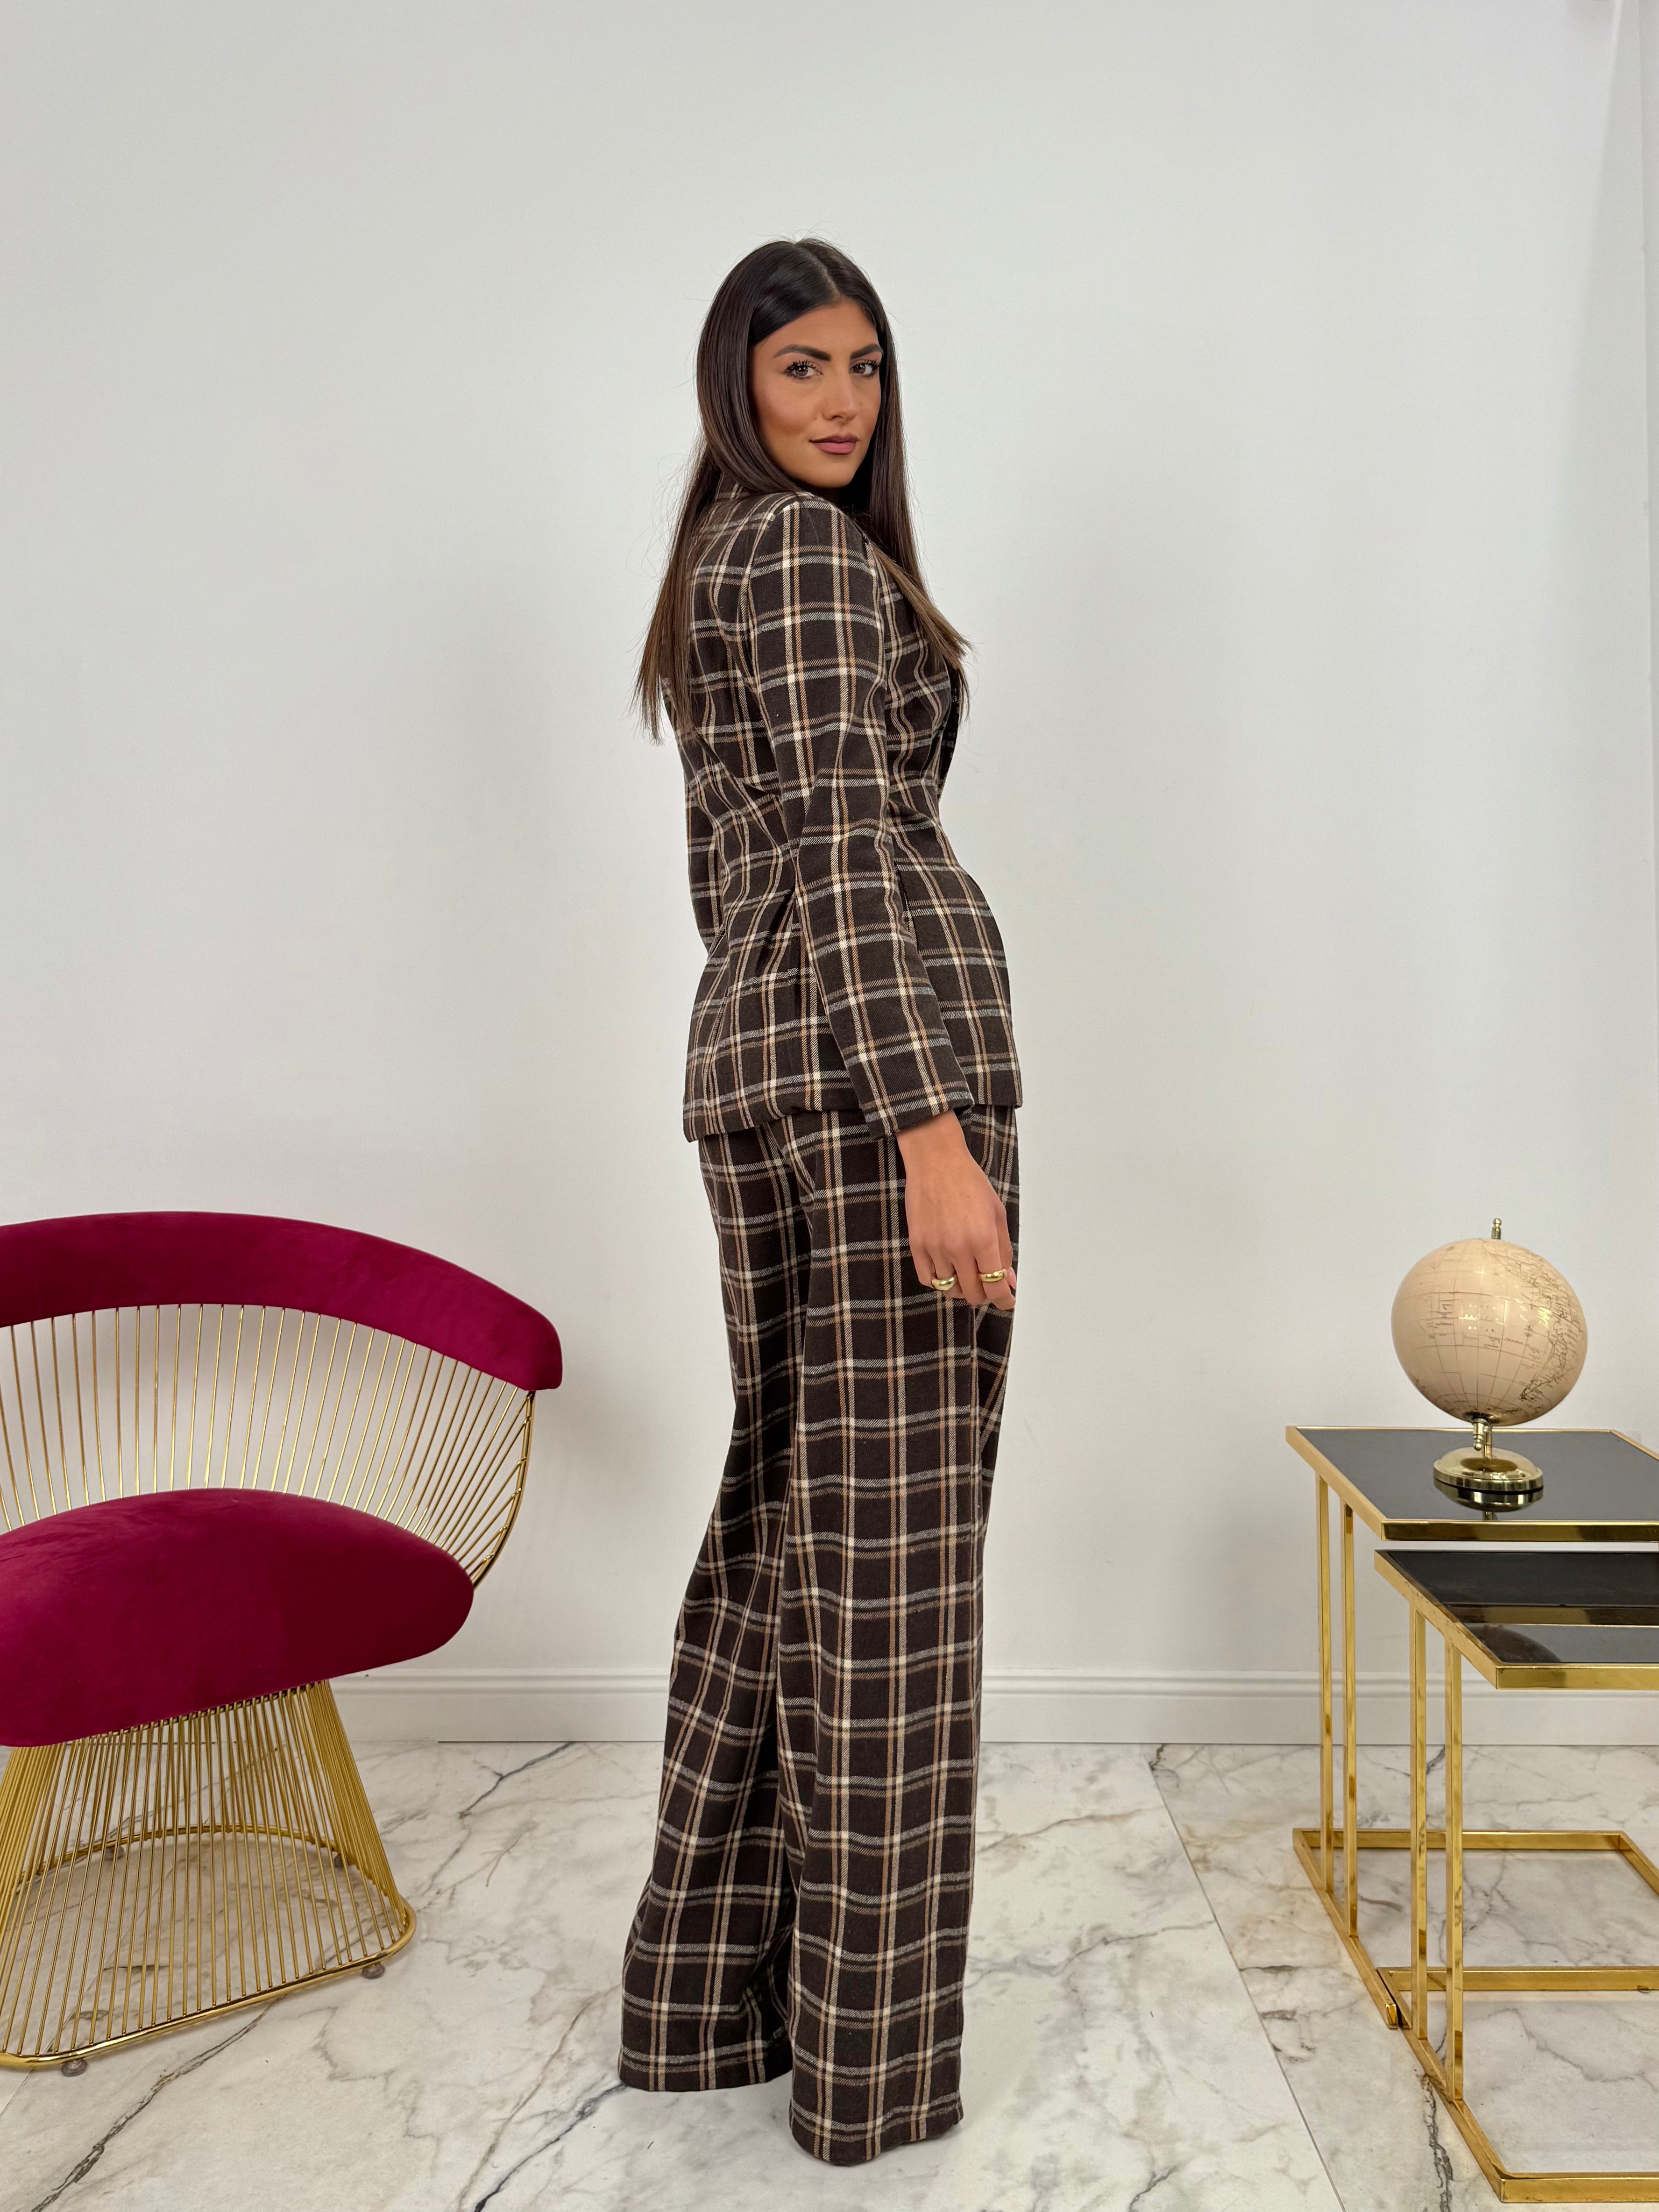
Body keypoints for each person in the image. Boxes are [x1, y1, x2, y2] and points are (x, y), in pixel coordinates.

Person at [617, 237, 1024, 2167]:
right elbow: (855, 847)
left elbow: (744, 881)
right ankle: (868, 2073)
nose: (844, 399)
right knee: (889, 1581)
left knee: (799, 1537)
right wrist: (927, 1125)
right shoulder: (798, 554)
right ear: (739, 384)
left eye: (865, 363)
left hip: (774, 1078)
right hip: (876, 1096)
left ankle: (709, 2006)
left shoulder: (734, 558)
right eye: (802, 366)